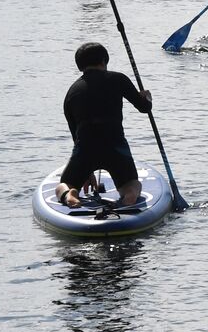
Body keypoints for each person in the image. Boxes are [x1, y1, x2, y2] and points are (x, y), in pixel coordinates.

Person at [55, 42, 152, 209]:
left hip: (85, 148)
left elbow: (75, 134)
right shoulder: (118, 78)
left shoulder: (71, 92)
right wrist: (146, 98)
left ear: (80, 66)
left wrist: (86, 171)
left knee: (64, 185)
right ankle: (130, 195)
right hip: (115, 146)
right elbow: (144, 108)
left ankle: (69, 193)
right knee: (132, 184)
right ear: (104, 61)